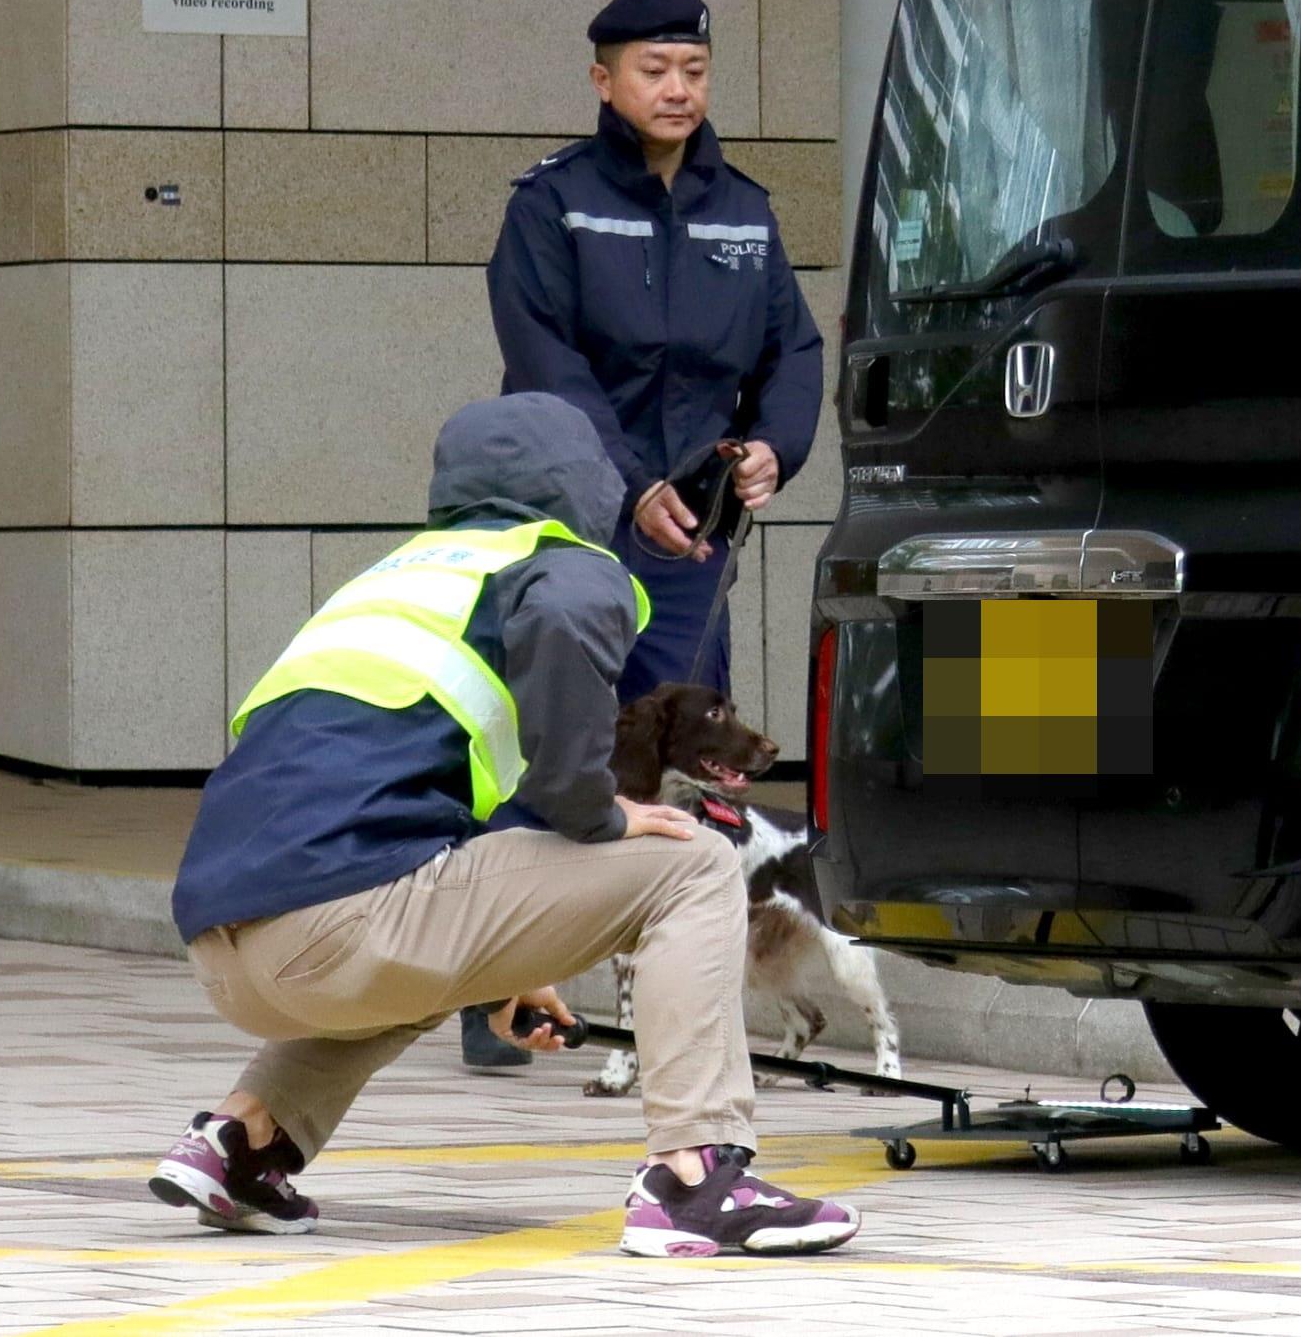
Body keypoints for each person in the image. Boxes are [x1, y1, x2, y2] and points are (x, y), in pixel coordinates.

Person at [147, 393, 859, 1258]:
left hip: (232, 947)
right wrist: (596, 811)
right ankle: (695, 1175)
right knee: (696, 858)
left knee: (409, 957)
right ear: (584, 480)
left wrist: (495, 969)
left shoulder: (400, 575)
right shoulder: (558, 563)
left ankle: (242, 1141)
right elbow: (563, 635)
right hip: (343, 922)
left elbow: (389, 809)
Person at [473, 0, 824, 1072]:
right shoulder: (555, 203)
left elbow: (794, 349)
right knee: (555, 739)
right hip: (574, 518)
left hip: (691, 534)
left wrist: (776, 441)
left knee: (684, 754)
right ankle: (502, 991)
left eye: (694, 71)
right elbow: (546, 360)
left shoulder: (743, 209)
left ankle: (673, 1001)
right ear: (603, 80)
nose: (676, 89)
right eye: (652, 71)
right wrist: (627, 483)